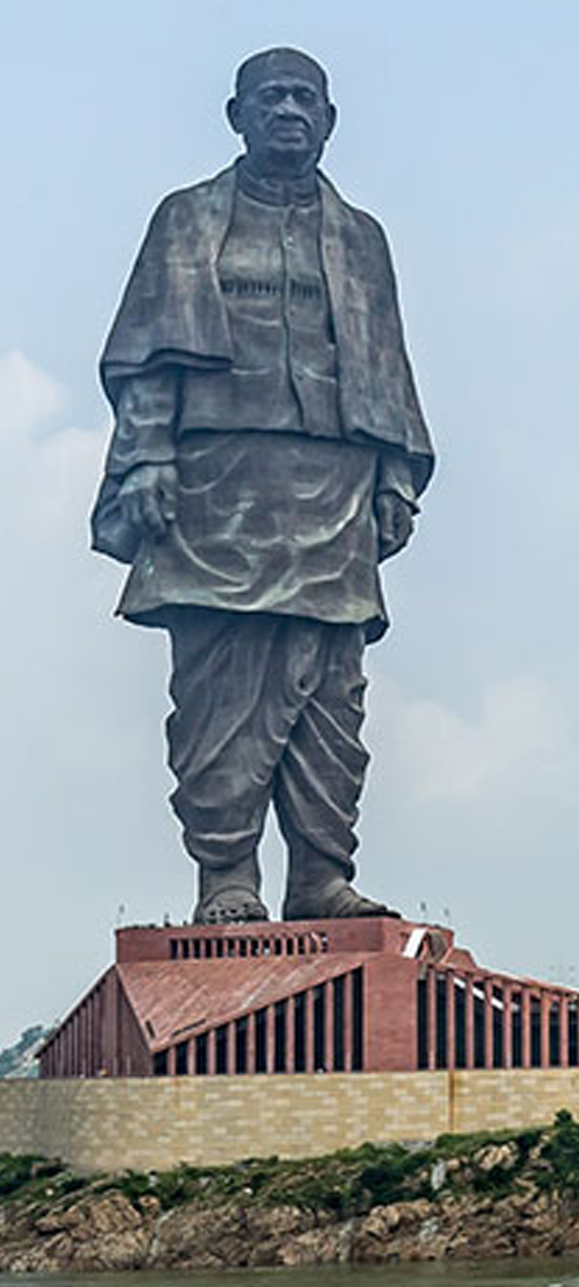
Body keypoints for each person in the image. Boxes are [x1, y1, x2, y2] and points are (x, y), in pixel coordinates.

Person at [90, 47, 434, 925]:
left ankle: (321, 874)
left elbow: (387, 371)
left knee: (332, 690)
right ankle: (226, 878)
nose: (289, 111)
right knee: (218, 685)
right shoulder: (187, 221)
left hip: (332, 486)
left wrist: (394, 480)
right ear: (235, 114)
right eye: (270, 97)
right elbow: (147, 362)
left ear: (329, 118)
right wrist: (149, 458)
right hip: (215, 484)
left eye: (305, 98)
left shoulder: (363, 239)